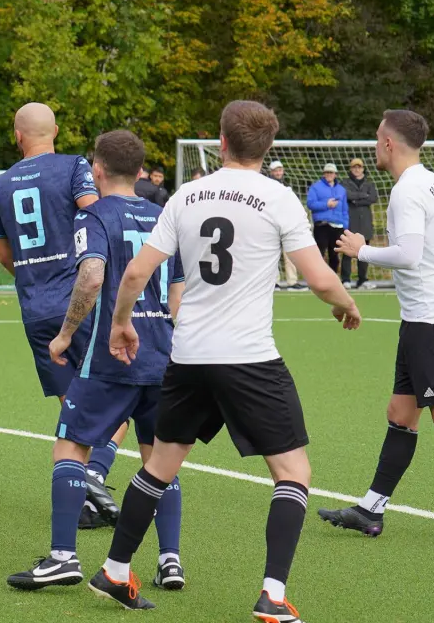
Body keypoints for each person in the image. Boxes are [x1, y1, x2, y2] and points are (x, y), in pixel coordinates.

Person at [86, 100, 360, 622]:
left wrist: (121, 323)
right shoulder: (278, 197)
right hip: (248, 358)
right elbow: (320, 278)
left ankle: (115, 571)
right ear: (268, 147)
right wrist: (346, 304)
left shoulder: (186, 195)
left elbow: (136, 274)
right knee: (293, 472)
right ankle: (273, 595)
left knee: (159, 465)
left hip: (189, 356)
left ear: (221, 142)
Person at [6, 130, 187, 594]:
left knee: (70, 447)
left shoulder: (94, 215)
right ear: (141, 171)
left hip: (113, 355)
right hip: (164, 354)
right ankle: (170, 561)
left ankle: (62, 557)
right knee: (159, 458)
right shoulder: (165, 216)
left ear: (97, 170)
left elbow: (90, 276)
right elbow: (178, 294)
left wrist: (66, 334)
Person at [320, 110, 434, 549]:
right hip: (429, 316)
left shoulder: (407, 190)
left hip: (432, 320)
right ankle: (371, 509)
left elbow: (408, 255)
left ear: (389, 143)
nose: (374, 145)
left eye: (376, 138)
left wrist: (361, 250)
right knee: (400, 413)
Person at [0, 104, 119, 523]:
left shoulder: (0, 185)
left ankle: (82, 501)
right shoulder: (74, 166)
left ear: (17, 136)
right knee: (119, 399)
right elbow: (96, 214)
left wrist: (35, 274)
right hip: (80, 301)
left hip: (36, 308)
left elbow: (5, 256)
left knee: (73, 407)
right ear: (56, 131)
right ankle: (94, 475)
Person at [341, 158, 378, 288]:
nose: (357, 169)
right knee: (347, 251)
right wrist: (363, 195)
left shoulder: (369, 183)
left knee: (364, 251)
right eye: (354, 167)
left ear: (363, 169)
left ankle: (362, 279)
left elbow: (373, 198)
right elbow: (347, 195)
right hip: (350, 221)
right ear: (350, 169)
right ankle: (345, 279)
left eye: (359, 167)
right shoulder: (345, 182)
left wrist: (356, 200)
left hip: (365, 222)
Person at [306, 163, 348, 277]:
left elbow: (345, 210)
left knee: (334, 255)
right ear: (324, 174)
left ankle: (332, 278)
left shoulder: (341, 190)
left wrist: (345, 226)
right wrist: (326, 204)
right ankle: (317, 278)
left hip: (338, 226)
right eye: (327, 172)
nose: (329, 174)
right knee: (319, 253)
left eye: (331, 172)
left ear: (335, 174)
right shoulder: (315, 187)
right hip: (322, 225)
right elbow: (310, 204)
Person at [268, 161, 301, 289]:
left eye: (280, 170)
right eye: (275, 170)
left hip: (286, 223)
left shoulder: (287, 187)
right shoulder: (267, 186)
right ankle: (274, 282)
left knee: (289, 253)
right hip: (272, 223)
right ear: (271, 172)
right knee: (273, 255)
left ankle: (292, 281)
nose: (278, 173)